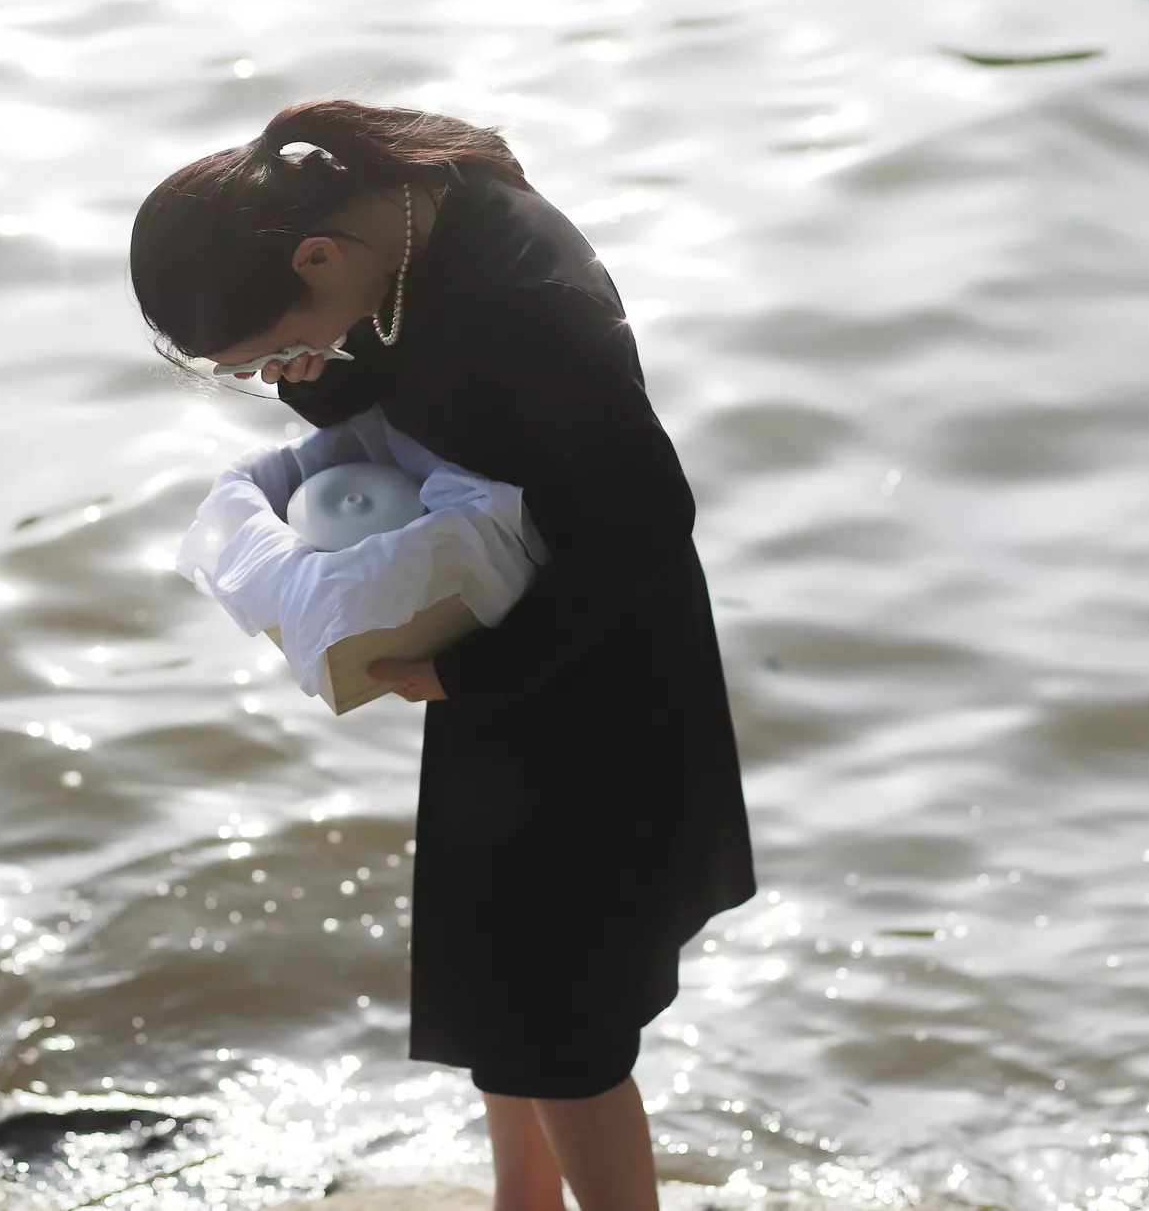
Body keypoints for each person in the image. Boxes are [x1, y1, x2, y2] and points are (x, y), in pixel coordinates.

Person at [128, 99, 757, 1211]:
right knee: (496, 977)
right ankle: (523, 1199)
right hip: (503, 624)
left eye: (278, 350)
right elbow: (392, 376)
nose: (281, 377)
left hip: (596, 655)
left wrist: (476, 675)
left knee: (566, 1020)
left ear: (316, 256)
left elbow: (652, 514)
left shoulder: (517, 290)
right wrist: (316, 363)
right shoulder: (401, 238)